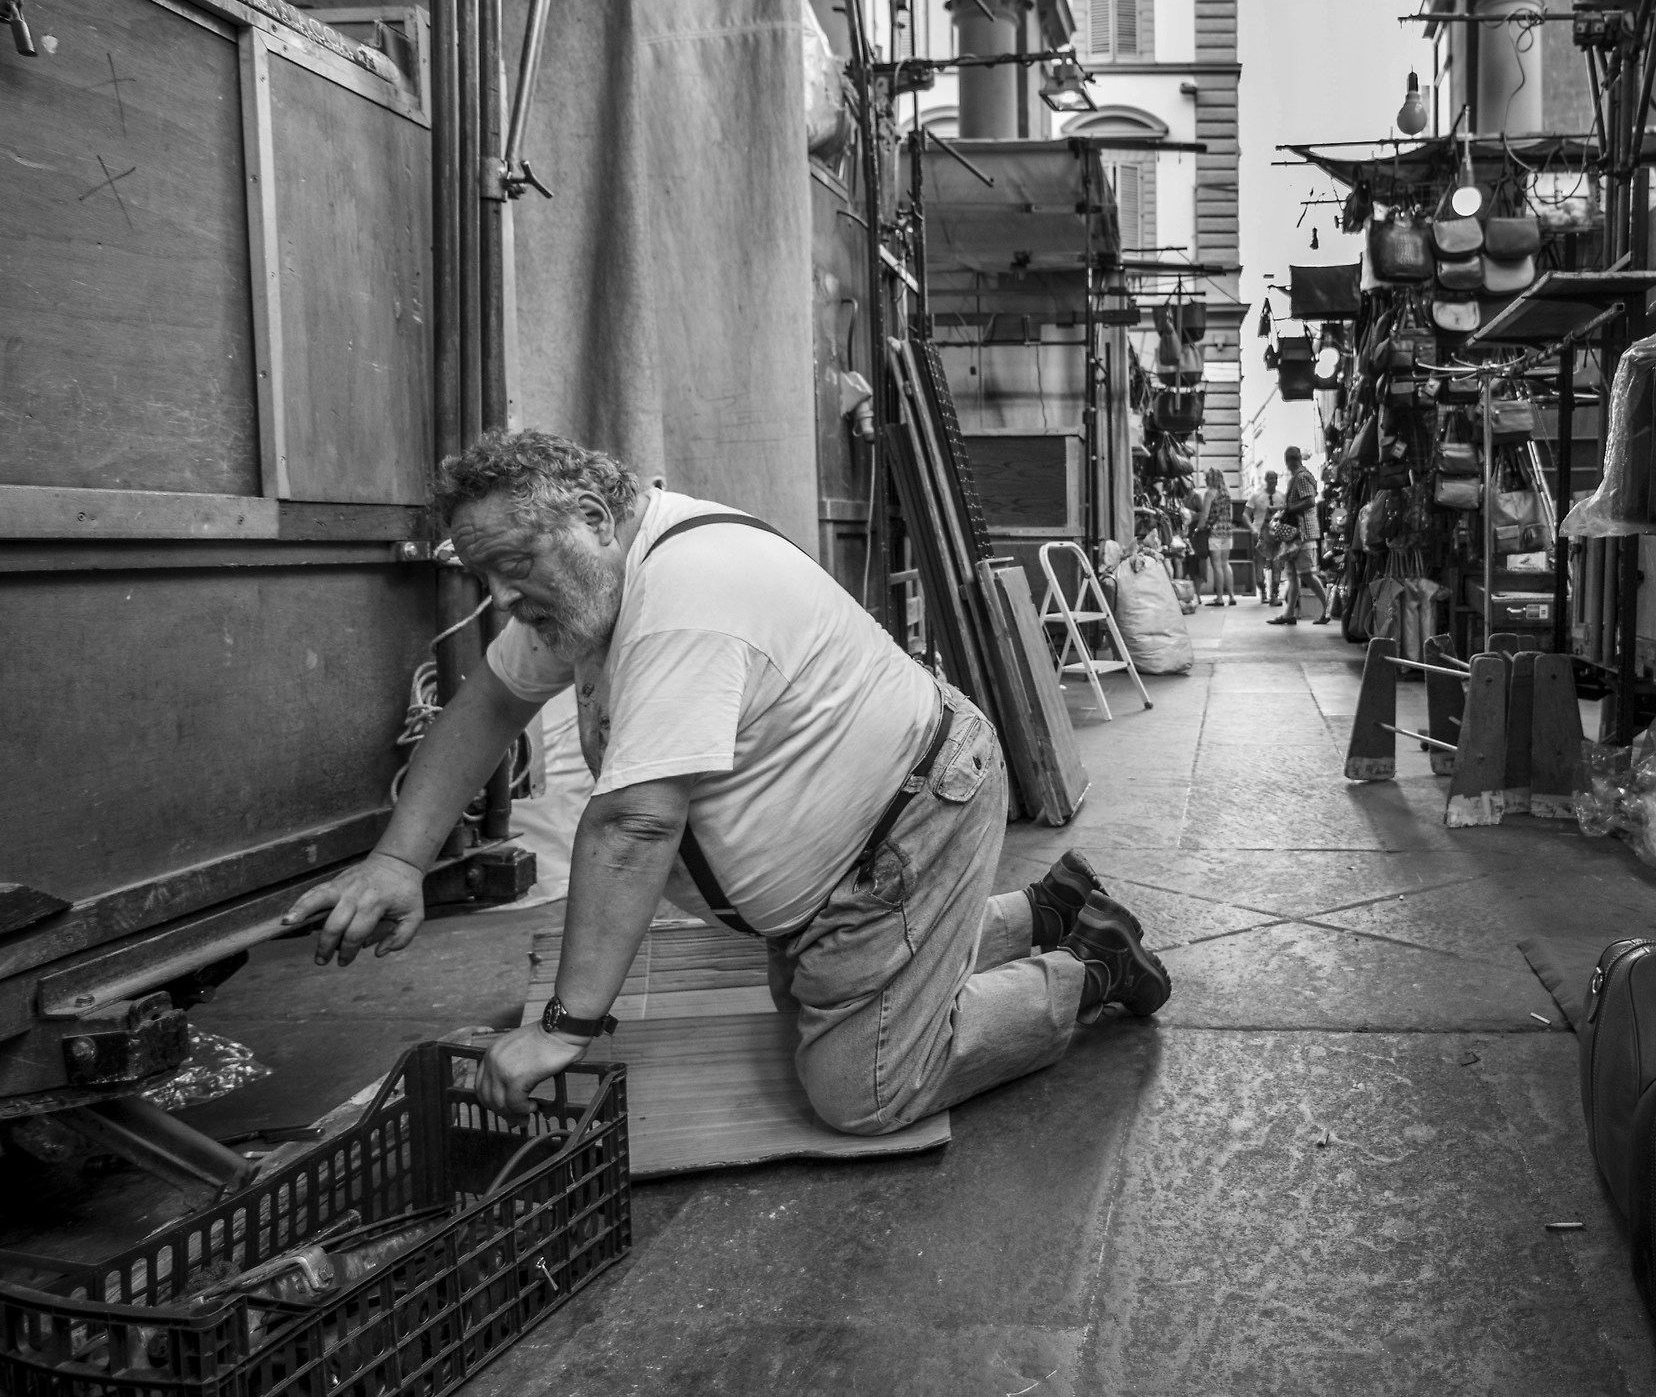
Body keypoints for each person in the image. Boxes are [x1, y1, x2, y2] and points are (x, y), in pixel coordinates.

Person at [285, 430, 1171, 1130]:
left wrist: (564, 1028)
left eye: (513, 567)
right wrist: (399, 859)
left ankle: (1089, 966)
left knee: (863, 1085)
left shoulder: (684, 598)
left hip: (910, 819)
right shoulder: (590, 587)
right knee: (824, 994)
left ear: (593, 517)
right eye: (484, 575)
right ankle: (1050, 908)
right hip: (865, 842)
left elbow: (633, 826)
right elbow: (487, 704)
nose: (502, 598)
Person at [1268, 446, 1333, 627]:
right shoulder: (1298, 477)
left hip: (1303, 533)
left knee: (1305, 574)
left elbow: (1310, 501)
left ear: (1288, 460)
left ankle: (1327, 608)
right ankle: (1289, 613)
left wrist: (1289, 509)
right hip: (1296, 534)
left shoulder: (1302, 477)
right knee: (1292, 574)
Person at [1194, 468, 1235, 606]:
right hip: (1227, 532)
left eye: (1207, 478)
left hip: (1214, 533)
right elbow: (1231, 515)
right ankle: (1231, 596)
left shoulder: (1210, 493)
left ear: (1211, 479)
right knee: (1225, 564)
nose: (1205, 480)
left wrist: (1198, 529)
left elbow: (1205, 515)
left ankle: (1219, 598)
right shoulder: (1227, 494)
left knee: (1216, 565)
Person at [1246, 469, 1283, 605]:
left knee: (1276, 565)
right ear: (1266, 480)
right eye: (1270, 478)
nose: (1273, 481)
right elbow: (1245, 514)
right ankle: (1262, 589)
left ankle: (1274, 593)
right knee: (1260, 564)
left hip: (1276, 535)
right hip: (1260, 534)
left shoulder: (1282, 497)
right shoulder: (1256, 496)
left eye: (1275, 478)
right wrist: (1252, 529)